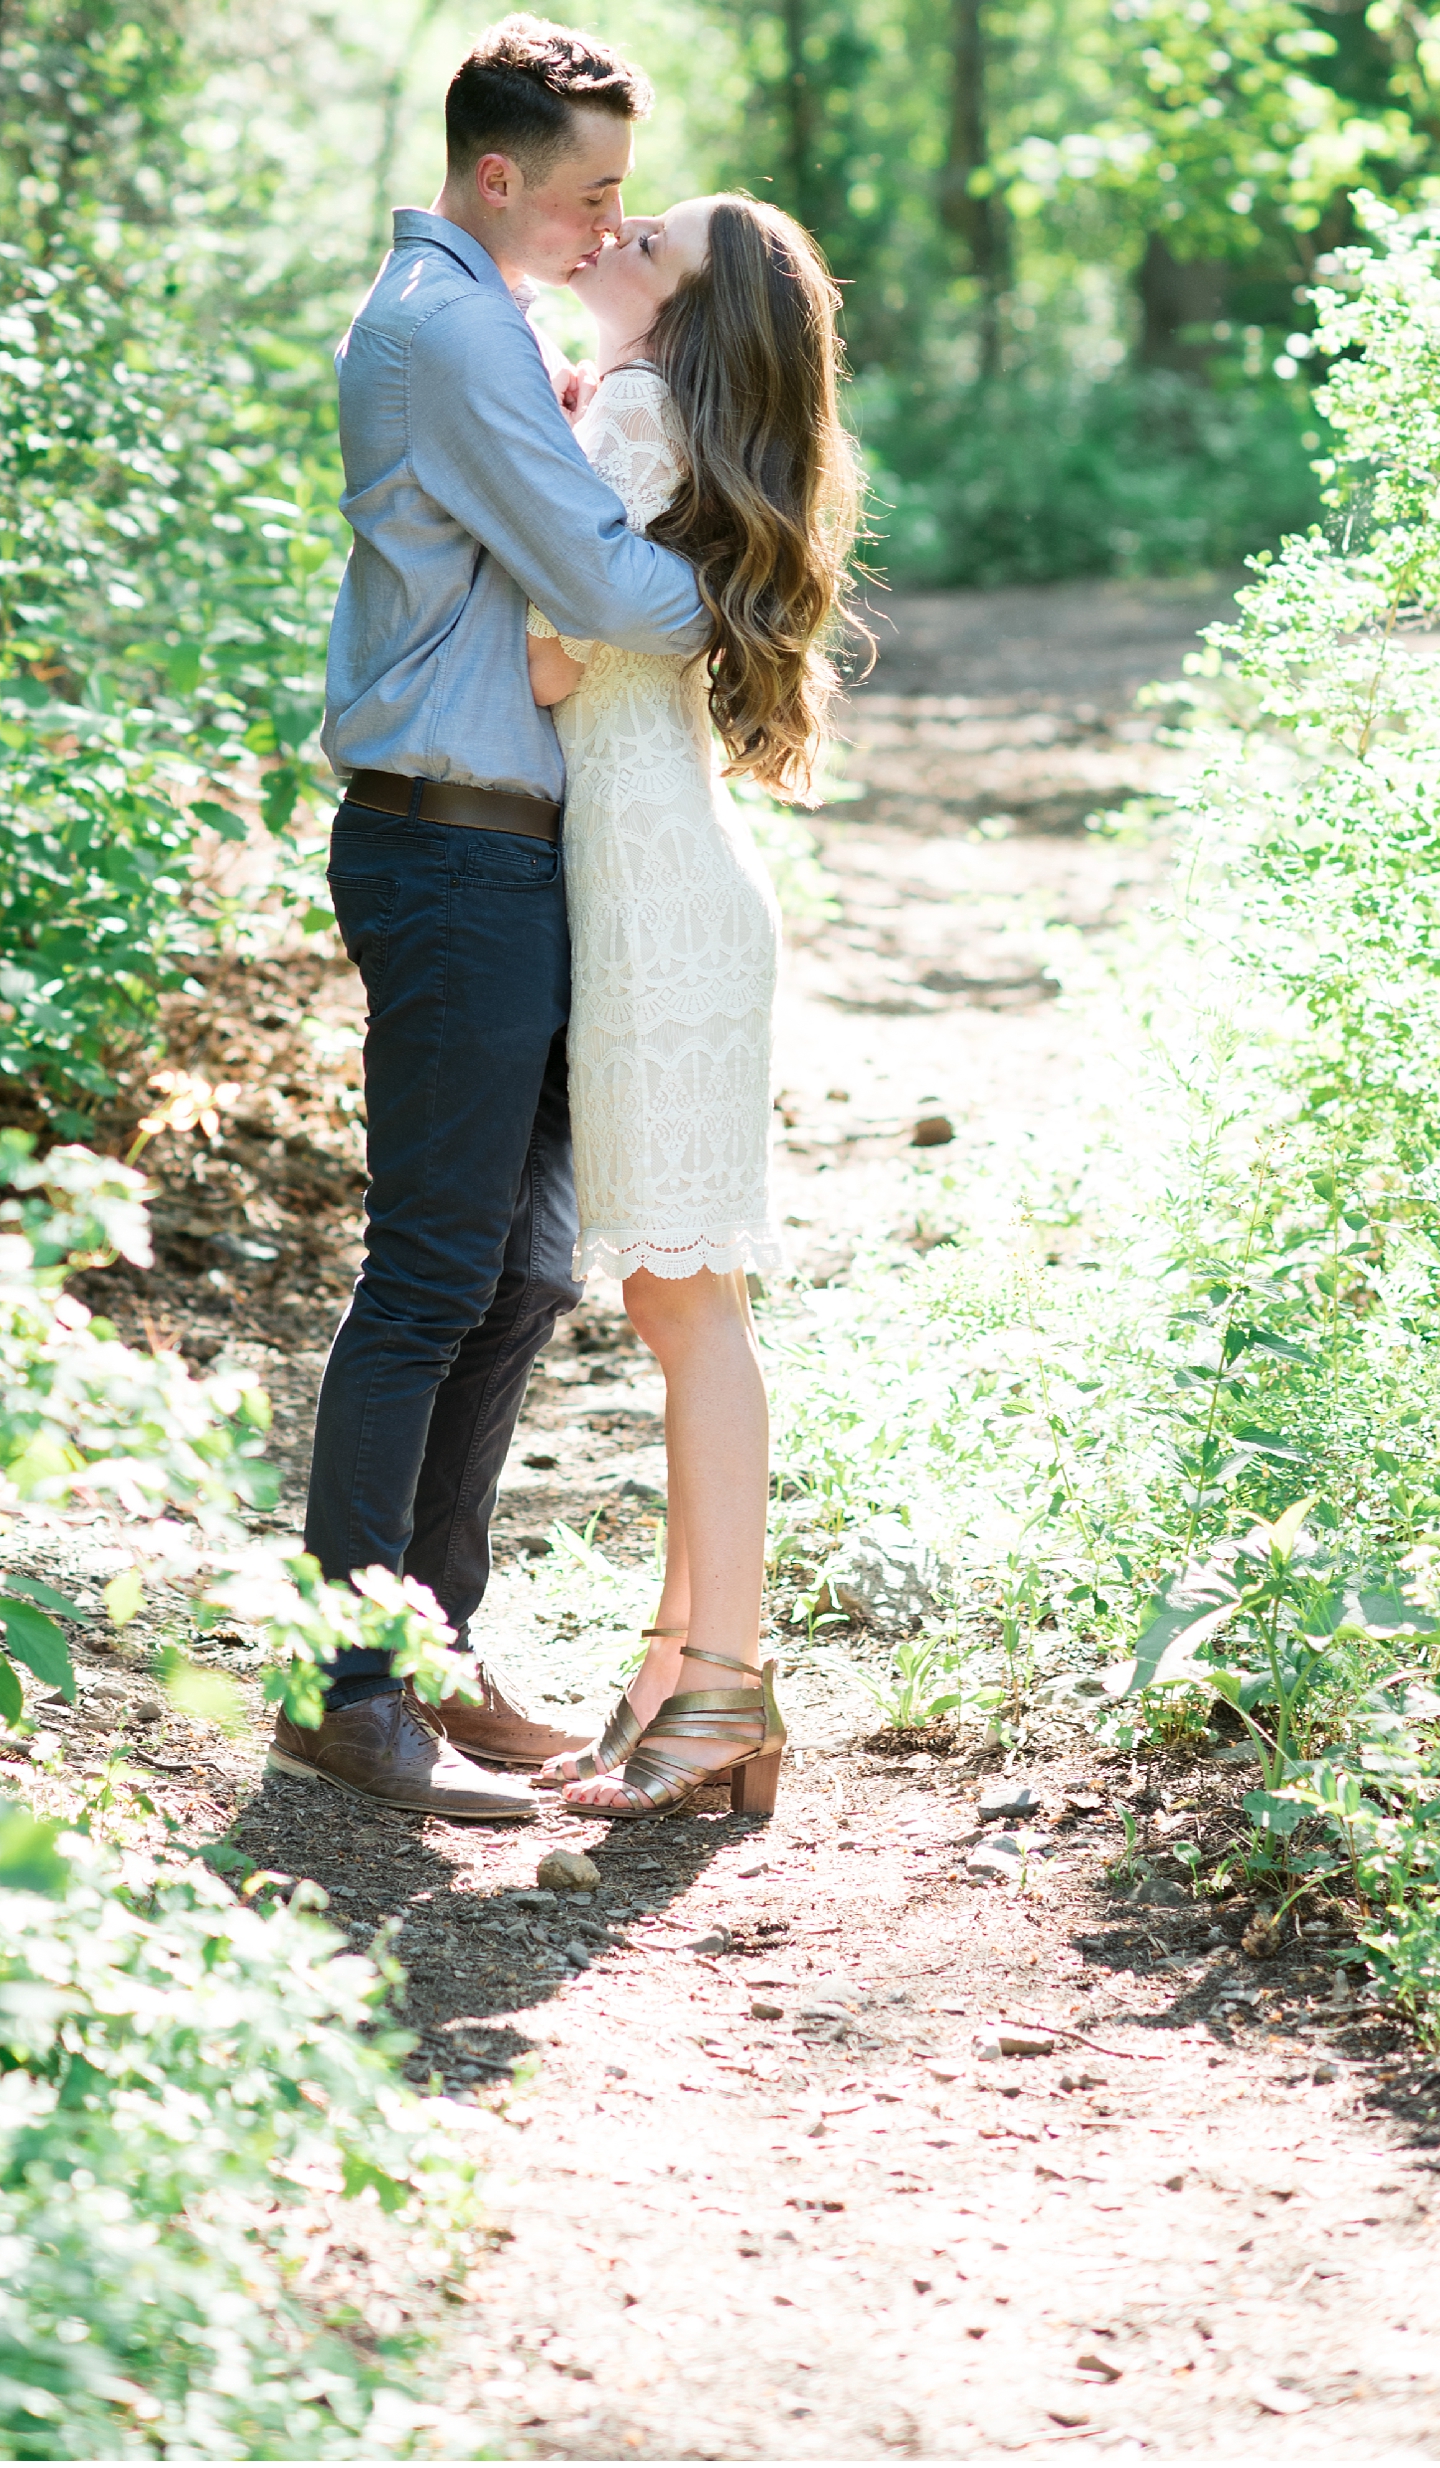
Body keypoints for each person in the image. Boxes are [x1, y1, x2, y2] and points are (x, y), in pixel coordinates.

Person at [269, 17, 712, 1824]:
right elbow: (603, 577)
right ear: (500, 173)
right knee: (432, 1272)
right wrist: (764, 570)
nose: (613, 223)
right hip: (447, 849)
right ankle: (340, 1684)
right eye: (594, 188)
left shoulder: (493, 317)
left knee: (522, 1267)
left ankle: (428, 1645)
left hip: (507, 845)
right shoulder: (450, 327)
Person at [528, 192, 859, 1821]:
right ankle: (680, 1663)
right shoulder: (629, 402)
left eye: (644, 242)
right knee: (684, 1298)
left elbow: (543, 661)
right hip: (662, 878)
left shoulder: (638, 411)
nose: (612, 237)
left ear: (680, 319)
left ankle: (720, 1677)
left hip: (656, 893)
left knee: (688, 1304)